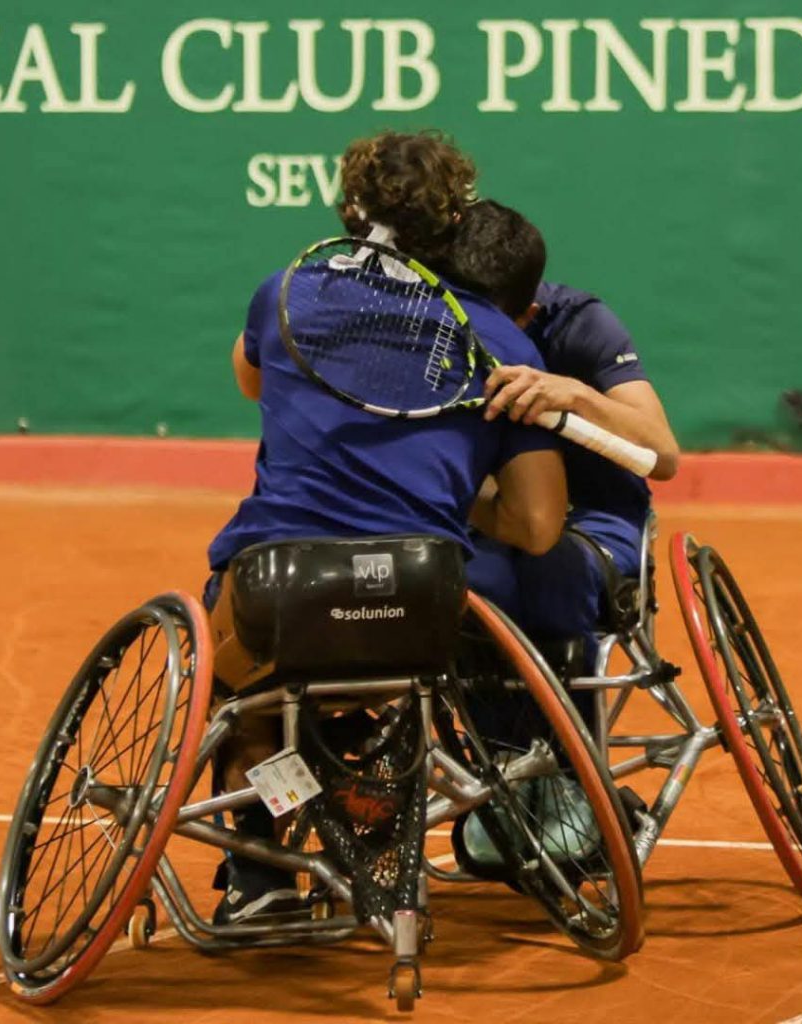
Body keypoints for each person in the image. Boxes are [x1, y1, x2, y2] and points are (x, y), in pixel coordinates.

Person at [206, 134, 568, 925]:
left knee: (240, 696)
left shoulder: (283, 294)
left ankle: (259, 867)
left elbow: (248, 377)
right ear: (451, 224)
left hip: (279, 588)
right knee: (388, 679)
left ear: (348, 207)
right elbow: (538, 527)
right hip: (421, 597)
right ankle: (364, 822)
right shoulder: (501, 342)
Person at [442, 199, 680, 685]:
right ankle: (498, 749)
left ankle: (566, 756)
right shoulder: (434, 327)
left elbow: (664, 456)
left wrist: (576, 395)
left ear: (529, 314)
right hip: (488, 521)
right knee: (459, 581)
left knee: (551, 571)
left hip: (594, 521)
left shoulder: (580, 323)